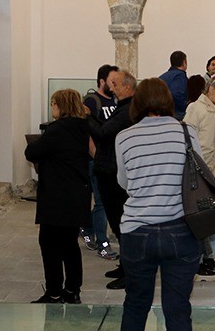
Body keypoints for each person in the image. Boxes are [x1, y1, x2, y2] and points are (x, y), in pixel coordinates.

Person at [113, 78, 204, 331]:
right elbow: (195, 174)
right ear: (167, 101)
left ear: (137, 103)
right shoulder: (187, 131)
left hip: (138, 231)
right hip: (181, 230)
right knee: (178, 309)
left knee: (136, 302)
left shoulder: (124, 136)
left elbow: (124, 182)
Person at [24, 89, 91, 303]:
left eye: (53, 103)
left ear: (61, 106)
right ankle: (72, 291)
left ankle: (53, 292)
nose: (52, 107)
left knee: (49, 244)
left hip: (56, 197)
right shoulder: (83, 127)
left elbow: (31, 152)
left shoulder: (56, 130)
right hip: (76, 194)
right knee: (70, 245)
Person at [184, 74, 215, 280]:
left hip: (214, 176)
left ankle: (209, 258)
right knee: (202, 219)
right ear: (211, 89)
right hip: (204, 177)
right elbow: (192, 146)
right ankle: (198, 262)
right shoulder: (197, 109)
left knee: (212, 219)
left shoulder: (212, 110)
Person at [90, 70, 137, 289]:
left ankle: (130, 272)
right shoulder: (123, 107)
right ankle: (124, 266)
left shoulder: (128, 109)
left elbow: (103, 133)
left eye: (116, 84)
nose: (112, 88)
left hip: (114, 173)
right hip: (109, 169)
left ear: (128, 87)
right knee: (116, 221)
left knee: (121, 221)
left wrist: (85, 115)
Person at [82, 64, 119, 260]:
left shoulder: (114, 100)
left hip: (109, 159)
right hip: (95, 160)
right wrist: (95, 154)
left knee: (102, 200)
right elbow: (86, 130)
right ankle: (102, 243)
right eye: (112, 81)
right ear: (102, 81)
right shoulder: (92, 100)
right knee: (101, 201)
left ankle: (87, 228)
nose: (114, 85)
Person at [159, 50, 190, 118]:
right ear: (184, 62)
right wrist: (185, 106)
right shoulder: (180, 76)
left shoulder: (162, 77)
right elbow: (176, 94)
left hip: (161, 114)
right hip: (176, 114)